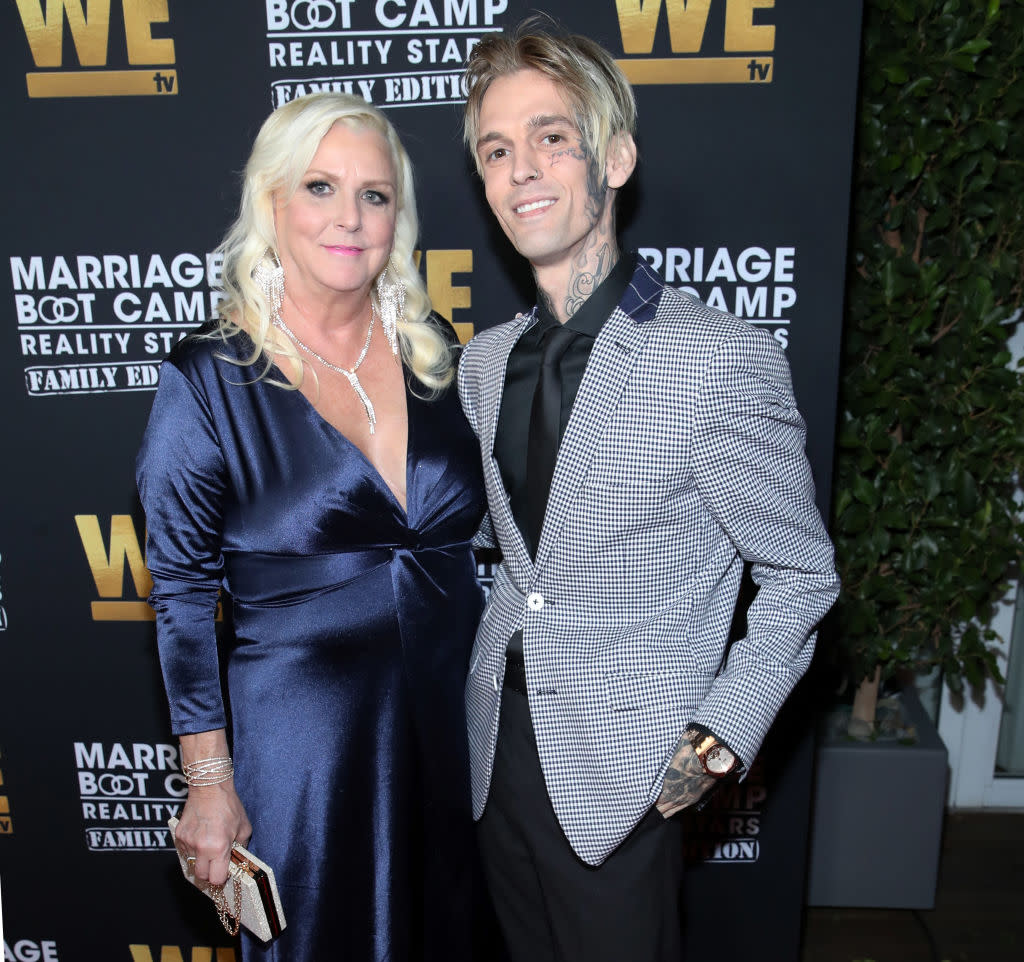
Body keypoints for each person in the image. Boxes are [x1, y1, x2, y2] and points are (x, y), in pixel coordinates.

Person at [457, 22, 841, 962]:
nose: (523, 172)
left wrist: (718, 737)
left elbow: (801, 574)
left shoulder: (717, 359)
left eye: (552, 138)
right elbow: (507, 557)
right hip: (496, 748)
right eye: (497, 150)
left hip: (629, 767)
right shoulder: (483, 361)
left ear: (615, 156)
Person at [136, 92, 486, 962]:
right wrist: (209, 781)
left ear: (397, 217)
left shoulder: (435, 353)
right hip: (304, 745)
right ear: (272, 204)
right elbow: (180, 599)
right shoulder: (207, 382)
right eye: (320, 187)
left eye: (374, 195)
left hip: (456, 728)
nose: (350, 218)